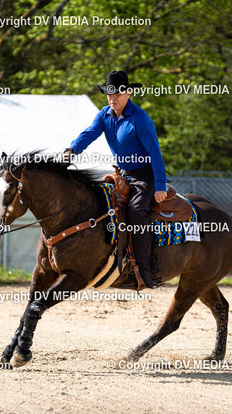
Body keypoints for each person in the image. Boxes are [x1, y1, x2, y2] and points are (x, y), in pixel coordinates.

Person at [64, 70, 167, 288]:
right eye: (109, 94)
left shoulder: (140, 119)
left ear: (128, 93)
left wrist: (159, 185)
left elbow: (155, 153)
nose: (112, 98)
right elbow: (89, 133)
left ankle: (144, 270)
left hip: (144, 176)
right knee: (99, 203)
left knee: (137, 210)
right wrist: (72, 149)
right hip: (121, 175)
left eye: (117, 94)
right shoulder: (104, 114)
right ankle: (108, 260)